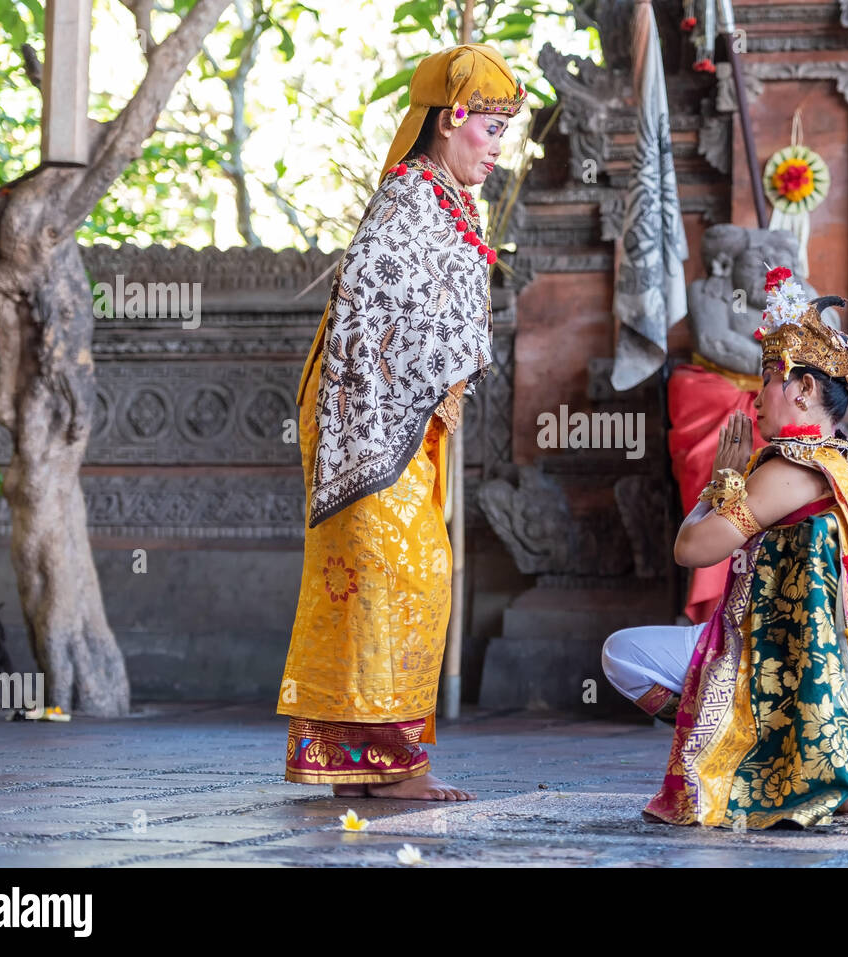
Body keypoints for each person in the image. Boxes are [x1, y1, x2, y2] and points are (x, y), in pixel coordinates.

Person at [278, 44, 526, 802]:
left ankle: (364, 765)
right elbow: (370, 313)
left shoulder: (447, 201)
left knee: (393, 578)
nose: (496, 149)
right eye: (489, 129)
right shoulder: (408, 198)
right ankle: (394, 768)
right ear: (450, 121)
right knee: (400, 575)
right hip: (371, 426)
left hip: (406, 423)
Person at [602, 265, 848, 828]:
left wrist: (718, 486)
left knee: (621, 654)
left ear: (803, 390)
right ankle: (842, 771)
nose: (755, 400)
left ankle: (748, 747)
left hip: (781, 669)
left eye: (768, 382)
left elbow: (693, 550)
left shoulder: (791, 467)